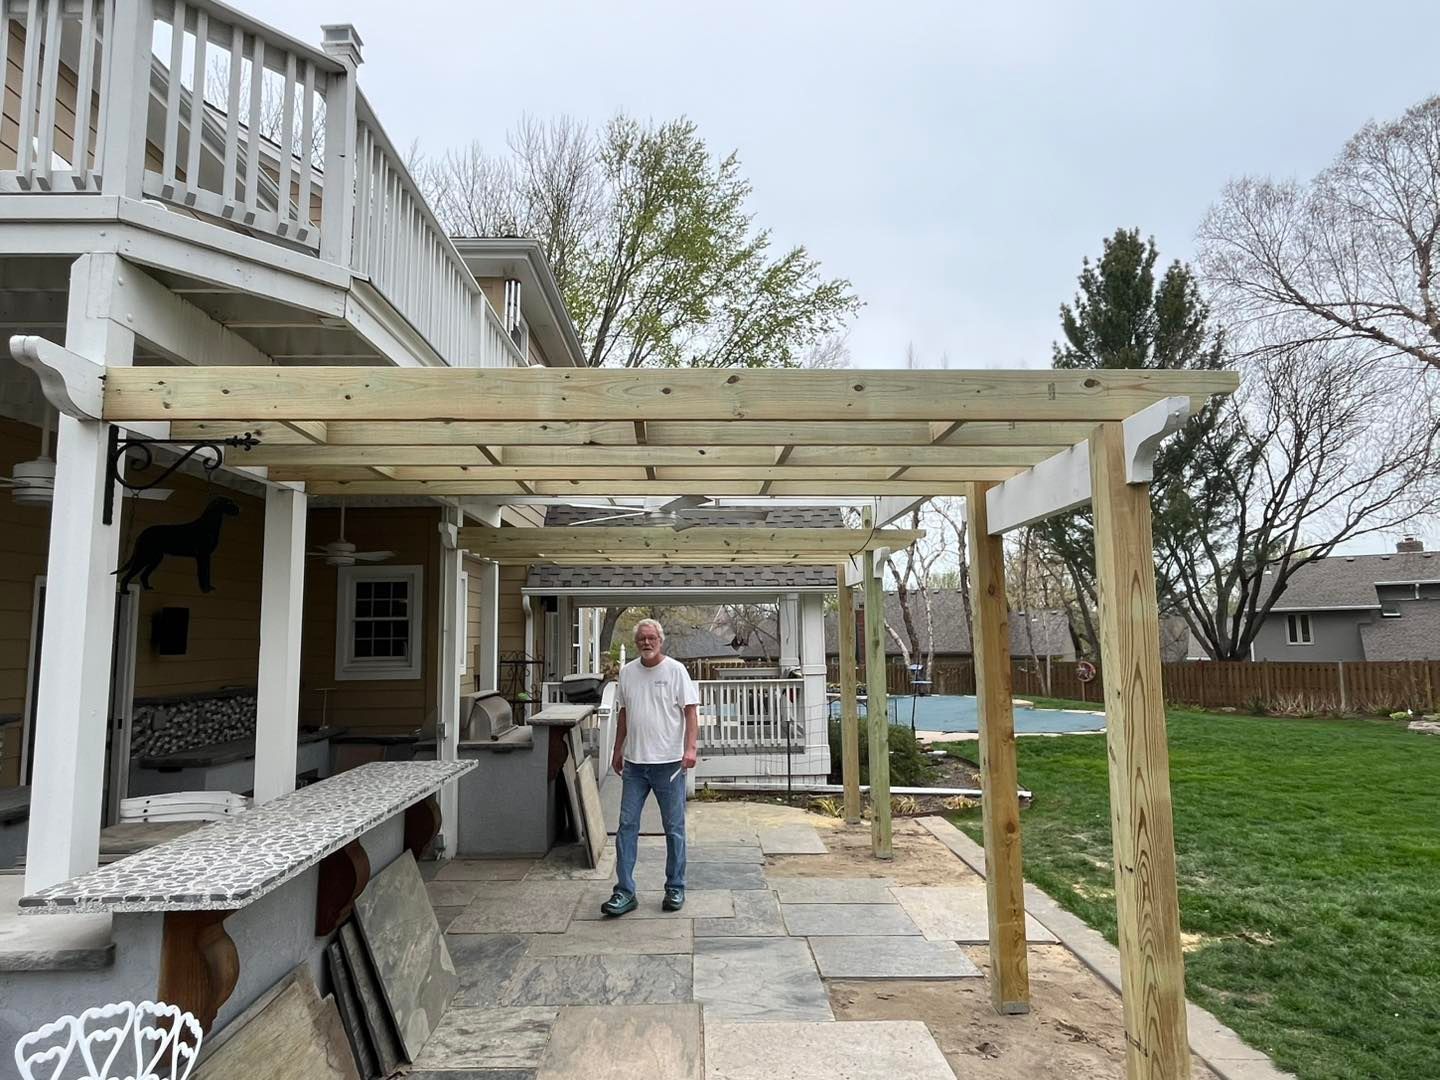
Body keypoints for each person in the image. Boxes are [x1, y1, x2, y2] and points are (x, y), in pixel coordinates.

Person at [600, 618, 699, 916]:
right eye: (641, 638)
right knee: (626, 826)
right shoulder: (628, 673)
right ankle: (625, 892)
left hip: (667, 764)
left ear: (661, 640)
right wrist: (618, 750)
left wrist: (690, 748)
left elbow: (691, 712)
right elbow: (623, 714)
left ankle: (675, 887)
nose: (646, 642)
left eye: (651, 638)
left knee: (674, 828)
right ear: (636, 642)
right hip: (635, 765)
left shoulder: (676, 671)